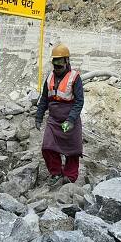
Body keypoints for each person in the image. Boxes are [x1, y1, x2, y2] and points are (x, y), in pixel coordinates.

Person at [36, 43, 84, 184]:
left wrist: (70, 120)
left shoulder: (75, 77)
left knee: (73, 150)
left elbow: (79, 102)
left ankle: (70, 176)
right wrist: (39, 116)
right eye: (55, 65)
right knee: (47, 147)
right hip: (54, 120)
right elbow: (44, 99)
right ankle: (56, 172)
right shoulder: (49, 78)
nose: (57, 69)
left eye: (59, 66)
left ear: (66, 62)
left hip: (70, 121)